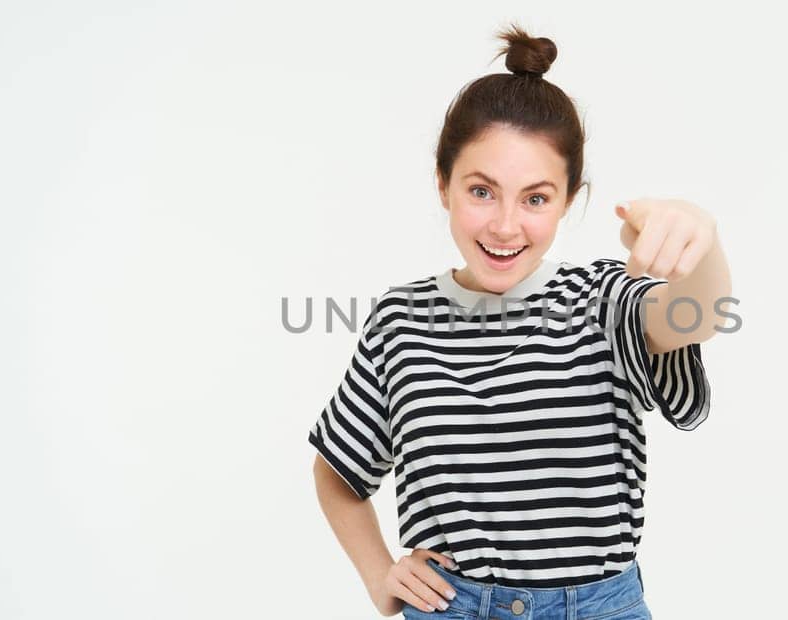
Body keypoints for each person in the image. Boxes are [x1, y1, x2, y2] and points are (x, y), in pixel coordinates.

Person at [309, 24, 732, 619]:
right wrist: (379, 574)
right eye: (482, 191)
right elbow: (337, 470)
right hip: (455, 608)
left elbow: (695, 316)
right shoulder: (399, 323)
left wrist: (700, 239)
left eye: (535, 198)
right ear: (443, 183)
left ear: (568, 199)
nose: (506, 226)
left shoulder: (603, 301)